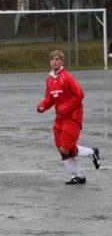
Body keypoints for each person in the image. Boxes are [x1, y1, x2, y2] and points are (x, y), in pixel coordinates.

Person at [37, 50, 101, 185]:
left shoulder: (66, 77)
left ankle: (91, 152)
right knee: (61, 149)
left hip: (73, 117)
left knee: (66, 148)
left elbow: (79, 94)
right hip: (60, 118)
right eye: (52, 59)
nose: (54, 61)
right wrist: (42, 106)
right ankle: (78, 176)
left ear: (62, 61)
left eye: (57, 59)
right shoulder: (50, 79)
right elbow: (49, 99)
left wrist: (66, 107)